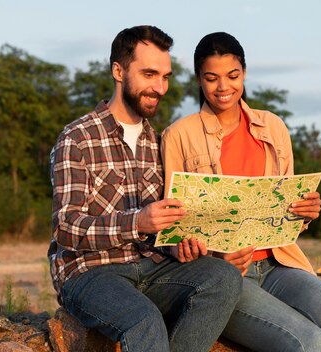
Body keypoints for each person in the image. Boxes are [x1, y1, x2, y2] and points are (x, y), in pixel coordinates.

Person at [161, 32, 321, 352]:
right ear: (199, 79)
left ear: (244, 73)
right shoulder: (178, 135)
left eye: (232, 76)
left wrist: (305, 212)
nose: (223, 87)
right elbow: (173, 223)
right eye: (211, 78)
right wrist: (193, 248)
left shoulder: (272, 126)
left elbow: (288, 202)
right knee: (309, 341)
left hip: (277, 263)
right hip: (224, 275)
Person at [48, 26, 242, 352]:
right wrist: (137, 222)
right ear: (118, 71)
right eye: (149, 74)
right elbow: (67, 229)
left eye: (165, 76)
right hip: (90, 273)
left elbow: (162, 226)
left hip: (151, 267)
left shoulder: (158, 141)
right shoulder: (77, 138)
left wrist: (179, 246)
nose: (160, 87)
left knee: (224, 278)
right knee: (144, 319)